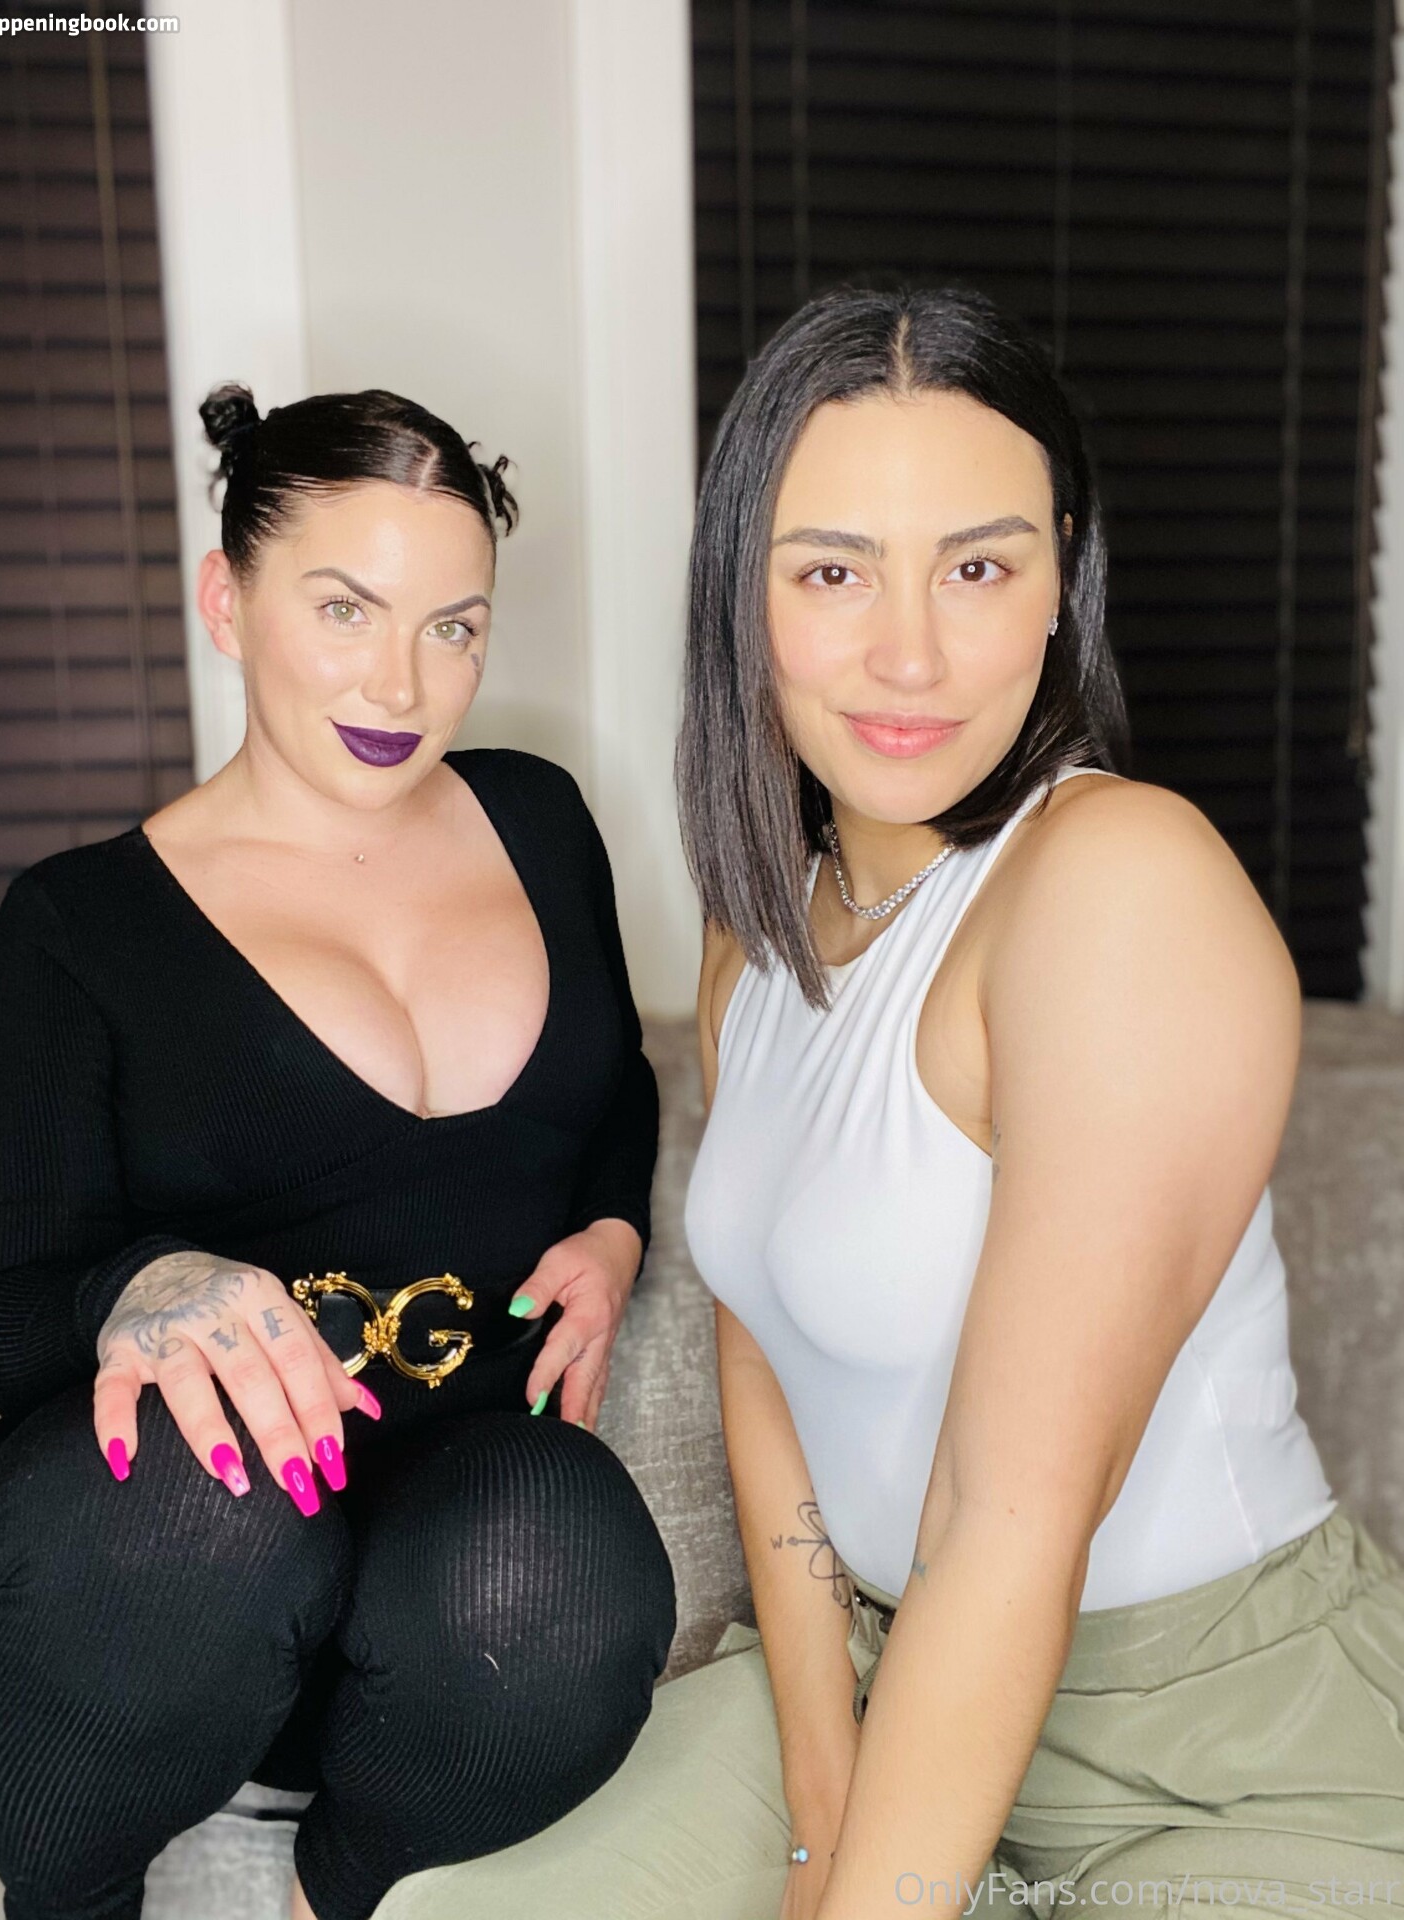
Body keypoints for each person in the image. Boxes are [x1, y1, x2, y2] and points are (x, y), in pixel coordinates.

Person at [371, 285, 1404, 1920]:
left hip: (1226, 1745)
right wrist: (818, 1798)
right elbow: (764, 1345)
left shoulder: (1121, 885)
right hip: (881, 1664)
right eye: (833, 571)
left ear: (1062, 580)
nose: (909, 653)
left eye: (978, 569)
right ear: (743, 597)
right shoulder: (762, 919)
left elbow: (1009, 1520)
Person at [0, 382, 675, 1920]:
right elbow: (1, 1314)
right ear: (228, 601)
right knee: (210, 1510)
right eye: (344, 608)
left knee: (566, 1562)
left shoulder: (541, 821)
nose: (401, 684)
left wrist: (616, 1231)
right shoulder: (82, 923)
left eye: (453, 626)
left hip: (441, 1585)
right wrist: (147, 1283)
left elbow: (614, 1083)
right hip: (160, 1590)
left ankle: (333, 1889)